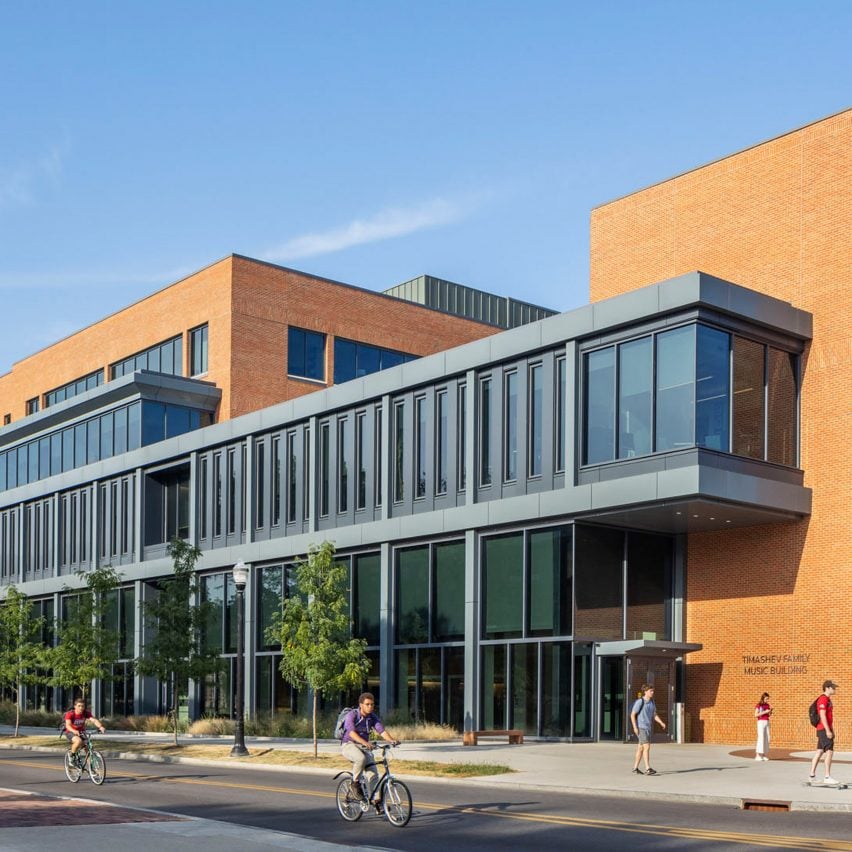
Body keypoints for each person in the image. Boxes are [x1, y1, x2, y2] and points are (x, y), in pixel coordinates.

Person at [340, 692, 398, 803]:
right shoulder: (352, 715)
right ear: (360, 705)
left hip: (363, 746)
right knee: (360, 758)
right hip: (348, 745)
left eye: (372, 704)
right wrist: (365, 742)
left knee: (373, 773)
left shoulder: (372, 717)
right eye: (367, 704)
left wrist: (391, 740)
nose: (370, 707)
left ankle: (376, 801)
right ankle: (355, 784)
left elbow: (381, 730)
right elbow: (351, 733)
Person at [630, 684, 667, 776]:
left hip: (648, 727)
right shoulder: (640, 702)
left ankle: (635, 768)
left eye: (653, 691)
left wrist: (661, 722)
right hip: (641, 727)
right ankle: (648, 768)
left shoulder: (652, 702)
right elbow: (632, 714)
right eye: (651, 691)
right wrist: (635, 727)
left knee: (640, 748)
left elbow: (654, 715)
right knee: (647, 747)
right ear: (645, 692)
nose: (652, 692)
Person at [808, 680, 838, 784]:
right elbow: (822, 715)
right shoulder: (823, 699)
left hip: (823, 729)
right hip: (824, 729)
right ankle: (827, 776)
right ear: (827, 688)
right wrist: (828, 730)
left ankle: (812, 775)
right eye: (833, 687)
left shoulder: (827, 699)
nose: (835, 689)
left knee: (820, 751)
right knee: (829, 751)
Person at [754, 692, 772, 760]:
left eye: (768, 699)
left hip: (766, 721)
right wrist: (765, 712)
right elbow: (755, 715)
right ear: (763, 698)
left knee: (767, 737)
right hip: (761, 722)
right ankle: (758, 755)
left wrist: (770, 712)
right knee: (761, 737)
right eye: (766, 699)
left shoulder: (768, 705)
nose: (767, 700)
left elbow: (768, 715)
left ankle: (763, 754)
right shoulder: (759, 705)